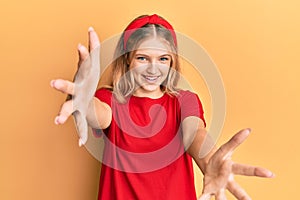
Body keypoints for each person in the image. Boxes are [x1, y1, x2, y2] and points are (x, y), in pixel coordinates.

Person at [51, 14, 274, 200]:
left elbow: (194, 133)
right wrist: (82, 98)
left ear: (172, 62)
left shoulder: (184, 101)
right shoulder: (111, 100)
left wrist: (210, 160)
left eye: (163, 59)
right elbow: (97, 113)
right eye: (142, 58)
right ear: (127, 59)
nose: (153, 69)